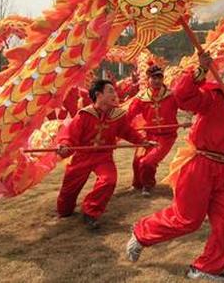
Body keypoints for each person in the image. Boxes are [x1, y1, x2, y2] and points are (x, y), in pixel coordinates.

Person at [125, 52, 224, 282]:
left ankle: (204, 269)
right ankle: (141, 232)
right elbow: (184, 97)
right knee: (187, 220)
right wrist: (198, 71)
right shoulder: (216, 97)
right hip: (199, 165)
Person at [56, 79, 153, 229]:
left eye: (114, 91)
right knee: (68, 193)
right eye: (110, 91)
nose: (115, 94)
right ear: (98, 95)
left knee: (109, 180)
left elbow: (127, 131)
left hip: (104, 156)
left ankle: (90, 211)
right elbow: (69, 135)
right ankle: (65, 210)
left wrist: (142, 141)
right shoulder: (84, 115)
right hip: (83, 156)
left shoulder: (117, 115)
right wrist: (65, 146)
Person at [127, 63, 179, 196]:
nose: (157, 81)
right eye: (154, 78)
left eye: (159, 78)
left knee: (147, 161)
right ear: (148, 79)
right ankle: (137, 184)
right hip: (148, 135)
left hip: (166, 136)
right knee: (137, 160)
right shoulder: (141, 98)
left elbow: (189, 104)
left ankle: (147, 185)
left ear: (163, 79)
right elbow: (128, 116)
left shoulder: (172, 95)